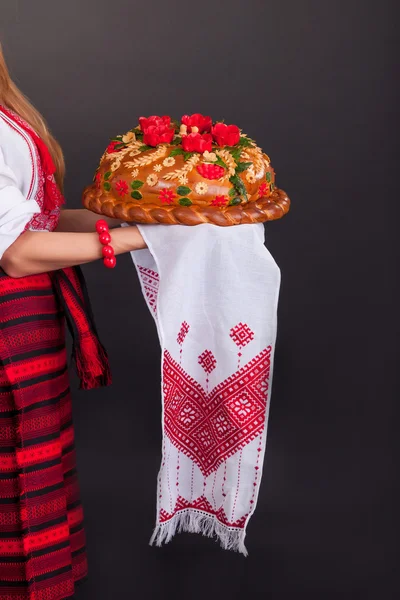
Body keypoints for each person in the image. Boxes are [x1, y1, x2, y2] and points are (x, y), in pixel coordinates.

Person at [0, 44, 145, 600]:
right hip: (10, 327)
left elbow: (36, 217)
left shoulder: (9, 109)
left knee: (33, 481)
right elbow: (15, 251)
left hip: (28, 327)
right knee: (17, 486)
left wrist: (147, 221)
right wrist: (139, 237)